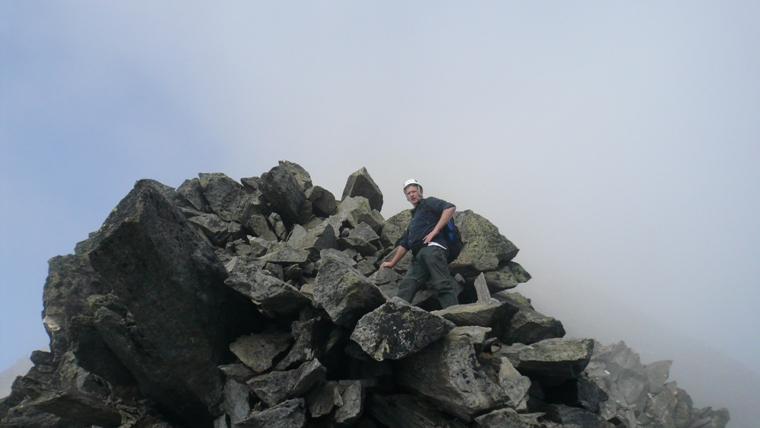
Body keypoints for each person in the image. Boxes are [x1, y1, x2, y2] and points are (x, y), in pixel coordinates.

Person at [380, 179, 459, 308]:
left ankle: (456, 316)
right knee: (407, 285)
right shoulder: (413, 219)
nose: (411, 195)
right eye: (408, 193)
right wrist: (392, 263)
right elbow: (405, 244)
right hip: (418, 258)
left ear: (420, 191)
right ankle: (394, 315)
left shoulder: (428, 203)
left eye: (414, 191)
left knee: (442, 284)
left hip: (433, 250)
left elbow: (450, 207)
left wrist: (435, 231)